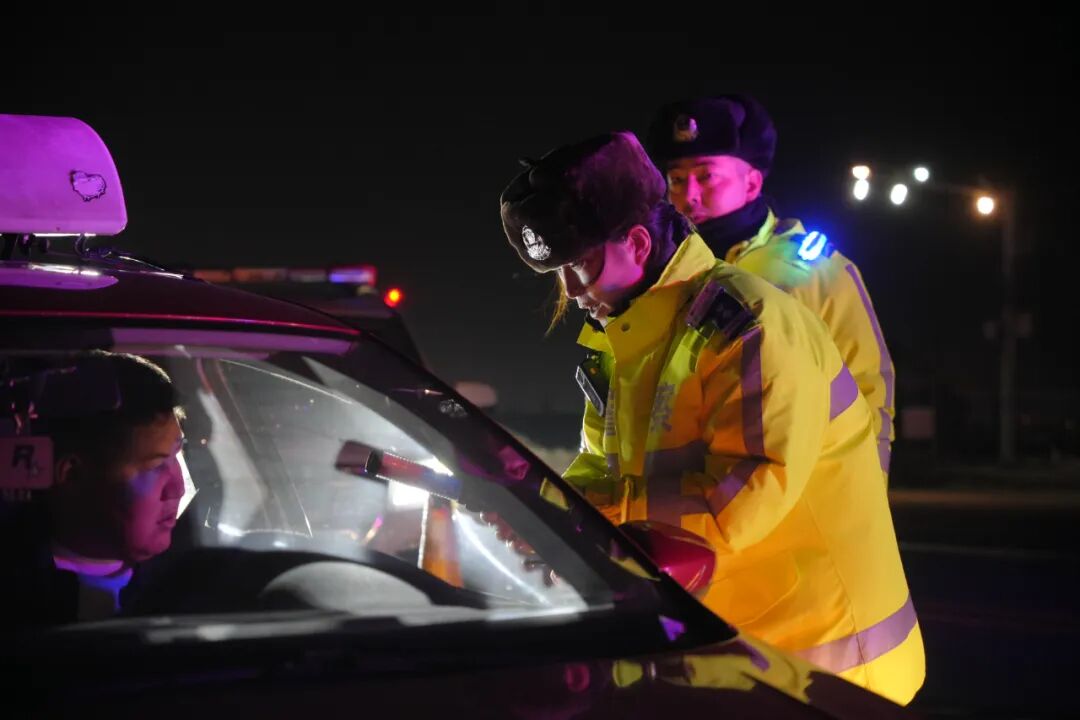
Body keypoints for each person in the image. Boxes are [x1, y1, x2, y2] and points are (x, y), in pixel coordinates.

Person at [498, 131, 924, 704]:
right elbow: (600, 466)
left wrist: (587, 519)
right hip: (744, 653)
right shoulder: (623, 334)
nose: (571, 291)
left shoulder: (747, 323)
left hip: (830, 668)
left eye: (581, 265)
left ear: (639, 243)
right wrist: (543, 511)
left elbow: (742, 499)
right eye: (559, 273)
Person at [646, 96, 896, 479]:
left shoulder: (815, 271)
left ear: (752, 182)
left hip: (798, 498)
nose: (688, 194)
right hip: (688, 498)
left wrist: (864, 492)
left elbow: (869, 392)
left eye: (706, 176)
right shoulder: (663, 275)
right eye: (677, 179)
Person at [1, 351, 186, 625]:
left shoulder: (201, 579)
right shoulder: (17, 605)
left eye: (178, 455)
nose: (178, 488)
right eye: (156, 466)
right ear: (72, 475)